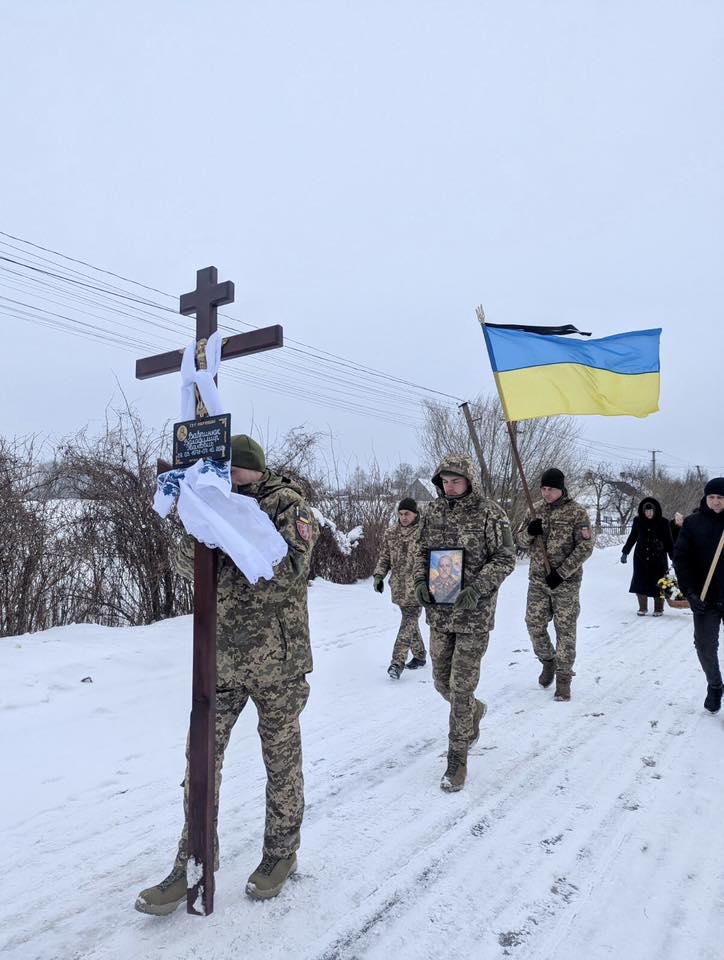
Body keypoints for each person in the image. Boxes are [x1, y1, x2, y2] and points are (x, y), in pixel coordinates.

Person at [136, 435, 318, 914]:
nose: (228, 480)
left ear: (253, 468)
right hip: (220, 662)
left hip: (277, 661)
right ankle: (192, 861)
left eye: (234, 472)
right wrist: (198, 524)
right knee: (200, 762)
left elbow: (288, 572)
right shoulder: (211, 504)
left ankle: (280, 855)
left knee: (280, 762)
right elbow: (187, 567)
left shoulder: (288, 506)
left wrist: (234, 528)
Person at [412, 455, 515, 793]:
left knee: (460, 688)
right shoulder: (432, 512)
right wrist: (419, 582)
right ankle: (475, 711)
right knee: (442, 681)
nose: (450, 486)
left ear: (469, 480)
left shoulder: (490, 513)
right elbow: (420, 552)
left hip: (474, 614)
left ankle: (456, 759)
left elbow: (505, 557)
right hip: (440, 614)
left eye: (456, 480)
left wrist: (478, 588)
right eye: (445, 481)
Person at [516, 468, 595, 702]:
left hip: (565, 584)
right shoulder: (535, 509)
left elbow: (585, 547)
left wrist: (561, 573)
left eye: (551, 489)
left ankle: (563, 679)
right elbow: (519, 540)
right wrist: (530, 531)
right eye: (543, 488)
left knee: (565, 630)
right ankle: (547, 660)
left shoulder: (576, 513)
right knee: (534, 624)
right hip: (538, 581)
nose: (546, 493)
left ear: (561, 488)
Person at [673, 478, 724, 713]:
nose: (715, 501)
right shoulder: (693, 524)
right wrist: (690, 593)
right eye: (711, 497)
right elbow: (681, 560)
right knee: (704, 645)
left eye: (720, 498)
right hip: (706, 597)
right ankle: (714, 685)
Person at [373, 497, 427, 680]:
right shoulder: (391, 532)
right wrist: (379, 575)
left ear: (415, 514)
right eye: (401, 514)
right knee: (409, 620)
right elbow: (385, 556)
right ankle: (419, 656)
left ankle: (397, 662)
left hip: (418, 587)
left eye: (407, 514)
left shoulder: (424, 532)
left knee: (409, 620)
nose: (403, 517)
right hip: (398, 585)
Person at [620, 498, 674, 616]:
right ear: (643, 511)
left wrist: (673, 557)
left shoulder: (663, 522)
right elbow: (632, 537)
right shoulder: (638, 521)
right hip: (641, 557)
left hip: (659, 558)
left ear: (655, 511)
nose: (649, 513)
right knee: (640, 582)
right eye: (647, 511)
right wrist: (625, 552)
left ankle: (659, 609)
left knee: (659, 583)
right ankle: (642, 608)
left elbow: (669, 541)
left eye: (651, 511)